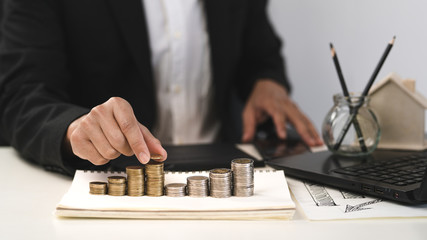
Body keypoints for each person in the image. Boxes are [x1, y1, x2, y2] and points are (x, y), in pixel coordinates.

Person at [0, 0, 322, 176]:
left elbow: (259, 54)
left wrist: (266, 82)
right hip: (109, 183)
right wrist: (73, 128)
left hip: (223, 177)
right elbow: (21, 93)